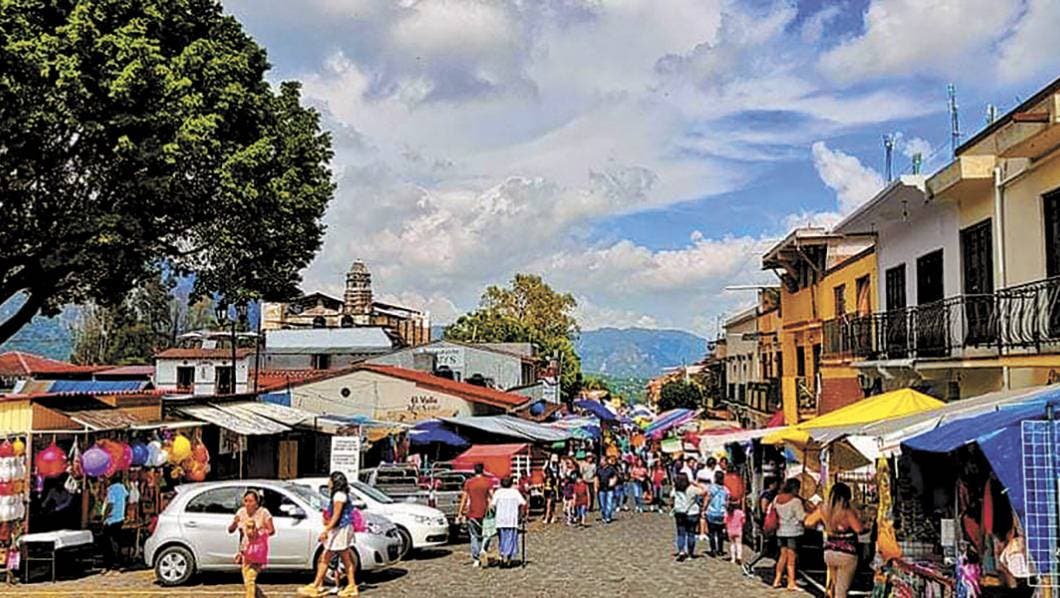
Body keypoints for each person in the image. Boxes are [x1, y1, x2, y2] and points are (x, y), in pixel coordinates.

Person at [299, 472, 359, 597]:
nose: (328, 482)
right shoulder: (340, 495)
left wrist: (327, 529)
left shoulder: (338, 496)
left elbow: (336, 515)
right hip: (342, 528)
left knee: (327, 557)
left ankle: (316, 586)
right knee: (342, 558)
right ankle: (350, 585)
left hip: (340, 529)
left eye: (330, 480)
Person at [804, 483, 863, 598]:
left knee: (834, 586)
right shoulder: (847, 511)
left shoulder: (823, 509)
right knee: (841, 590)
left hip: (829, 551)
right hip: (846, 553)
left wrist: (824, 525)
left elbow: (808, 522)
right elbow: (858, 529)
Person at [228, 489, 275, 598]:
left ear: (257, 503)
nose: (248, 504)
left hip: (257, 551)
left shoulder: (264, 513)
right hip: (245, 551)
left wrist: (258, 533)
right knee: (248, 581)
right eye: (246, 501)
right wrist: (235, 522)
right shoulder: (241, 512)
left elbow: (271, 530)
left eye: (251, 501)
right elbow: (232, 530)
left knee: (250, 579)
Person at [773, 478, 807, 591]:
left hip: (780, 531)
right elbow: (801, 517)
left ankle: (777, 579)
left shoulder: (777, 498)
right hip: (793, 532)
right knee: (791, 559)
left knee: (782, 557)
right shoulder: (795, 501)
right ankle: (791, 582)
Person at [743, 477, 781, 577]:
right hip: (767, 525)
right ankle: (749, 564)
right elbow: (764, 509)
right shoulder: (767, 494)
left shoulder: (764, 493)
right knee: (765, 550)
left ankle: (777, 568)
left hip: (768, 525)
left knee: (774, 549)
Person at [458, 463, 494, 566]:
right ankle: (483, 549)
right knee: (486, 533)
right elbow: (492, 497)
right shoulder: (488, 482)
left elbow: (464, 498)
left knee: (474, 535)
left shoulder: (469, 483)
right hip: (485, 512)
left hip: (472, 512)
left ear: (474, 471)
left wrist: (460, 512)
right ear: (483, 470)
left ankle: (476, 558)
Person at [489, 476, 526, 567]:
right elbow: (523, 503)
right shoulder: (514, 492)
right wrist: (522, 513)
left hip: (500, 519)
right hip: (511, 519)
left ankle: (502, 556)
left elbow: (492, 505)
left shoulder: (498, 492)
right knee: (510, 539)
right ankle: (508, 558)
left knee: (502, 539)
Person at [670, 474, 703, 561]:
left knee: (681, 533)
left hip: (680, 512)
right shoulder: (692, 489)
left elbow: (671, 498)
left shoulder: (676, 489)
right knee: (691, 534)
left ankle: (681, 551)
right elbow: (705, 491)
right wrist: (696, 483)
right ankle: (690, 554)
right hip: (692, 512)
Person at [100, 474, 129, 575]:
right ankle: (120, 564)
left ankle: (110, 565)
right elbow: (126, 497)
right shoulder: (122, 488)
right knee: (117, 542)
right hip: (120, 517)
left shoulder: (111, 489)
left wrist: (104, 517)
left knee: (108, 544)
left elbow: (110, 504)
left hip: (111, 520)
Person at [704, 470, 730, 557]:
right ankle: (720, 549)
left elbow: (707, 499)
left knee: (711, 533)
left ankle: (713, 549)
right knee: (720, 533)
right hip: (721, 513)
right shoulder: (726, 490)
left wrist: (704, 509)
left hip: (711, 512)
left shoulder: (711, 488)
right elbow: (727, 503)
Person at [596, 456, 619, 523]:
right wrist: (596, 485)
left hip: (610, 488)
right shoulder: (598, 469)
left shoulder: (611, 469)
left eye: (602, 461)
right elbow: (596, 477)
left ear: (606, 461)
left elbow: (615, 476)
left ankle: (608, 517)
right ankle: (604, 516)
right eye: (600, 461)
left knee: (609, 503)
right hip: (601, 488)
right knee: (602, 504)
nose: (601, 462)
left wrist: (613, 482)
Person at [725, 500, 746, 565]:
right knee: (738, 544)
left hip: (730, 530)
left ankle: (733, 558)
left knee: (732, 544)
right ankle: (739, 556)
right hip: (738, 530)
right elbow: (743, 521)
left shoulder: (727, 513)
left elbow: (725, 521)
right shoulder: (740, 513)